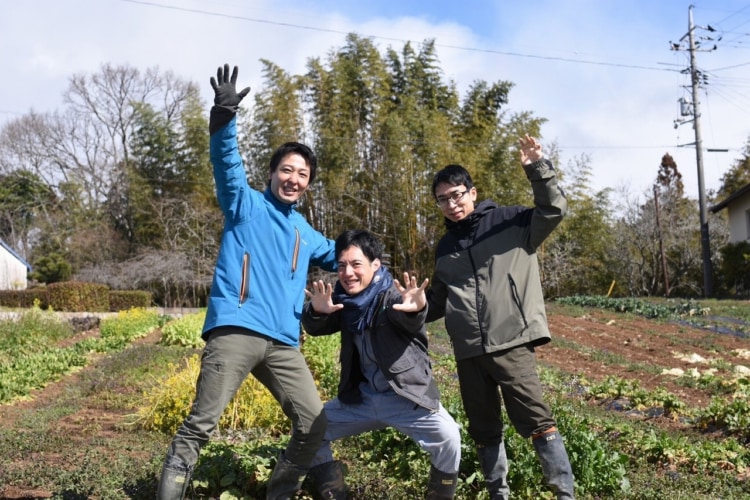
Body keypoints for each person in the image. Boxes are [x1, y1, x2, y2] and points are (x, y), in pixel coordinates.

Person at [156, 64, 338, 500]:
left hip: (283, 343)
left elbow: (344, 256)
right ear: (272, 173)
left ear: (308, 185)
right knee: (202, 422)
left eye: (303, 175)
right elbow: (226, 160)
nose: (294, 179)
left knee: (314, 422)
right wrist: (224, 116)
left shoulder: (305, 232)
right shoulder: (244, 204)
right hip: (237, 330)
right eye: (287, 170)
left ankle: (279, 491)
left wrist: (370, 257)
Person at [425, 135, 575, 500]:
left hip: (512, 341)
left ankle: (564, 493)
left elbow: (553, 210)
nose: (451, 204)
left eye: (457, 194)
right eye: (443, 199)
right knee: (484, 429)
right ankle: (498, 494)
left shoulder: (510, 221)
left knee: (537, 420)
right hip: (469, 351)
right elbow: (439, 302)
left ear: (472, 193)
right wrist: (409, 305)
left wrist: (537, 169)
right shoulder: (445, 247)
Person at [301, 229, 462, 500]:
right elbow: (317, 326)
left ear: (376, 265)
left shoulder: (391, 298)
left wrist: (418, 308)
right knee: (310, 430)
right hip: (361, 399)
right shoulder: (344, 302)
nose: (348, 273)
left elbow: (410, 316)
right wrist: (316, 310)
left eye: (356, 264)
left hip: (404, 397)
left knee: (449, 437)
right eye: (341, 266)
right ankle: (334, 493)